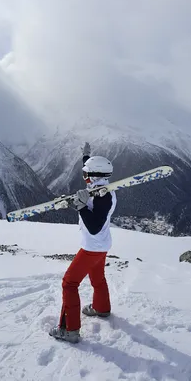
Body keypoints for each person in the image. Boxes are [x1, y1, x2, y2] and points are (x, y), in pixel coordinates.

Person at [49, 143, 117, 343]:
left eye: (87, 175)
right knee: (98, 278)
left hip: (92, 247)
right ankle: (101, 308)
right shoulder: (98, 187)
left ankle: (69, 330)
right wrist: (86, 157)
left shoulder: (103, 197)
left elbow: (95, 225)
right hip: (102, 245)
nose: (84, 177)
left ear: (95, 177)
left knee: (69, 283)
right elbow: (91, 168)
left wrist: (80, 207)